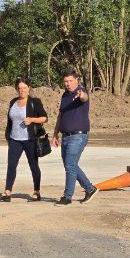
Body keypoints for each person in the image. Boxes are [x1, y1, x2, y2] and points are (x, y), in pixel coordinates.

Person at [0, 77, 48, 202]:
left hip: (30, 140)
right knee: (11, 165)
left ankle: (37, 191)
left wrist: (31, 120)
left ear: (29, 88)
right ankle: (7, 191)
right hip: (14, 139)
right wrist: (8, 136)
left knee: (34, 166)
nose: (22, 90)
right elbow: (10, 120)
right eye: (19, 88)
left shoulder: (34, 102)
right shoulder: (12, 102)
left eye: (24, 87)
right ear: (16, 89)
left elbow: (44, 118)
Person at [51, 70, 98, 205]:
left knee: (70, 165)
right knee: (70, 165)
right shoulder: (65, 96)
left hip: (78, 135)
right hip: (65, 136)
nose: (68, 84)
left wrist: (81, 94)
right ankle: (90, 189)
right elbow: (61, 116)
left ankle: (67, 197)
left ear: (77, 80)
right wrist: (55, 134)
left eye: (70, 81)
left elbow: (84, 98)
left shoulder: (81, 91)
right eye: (66, 81)